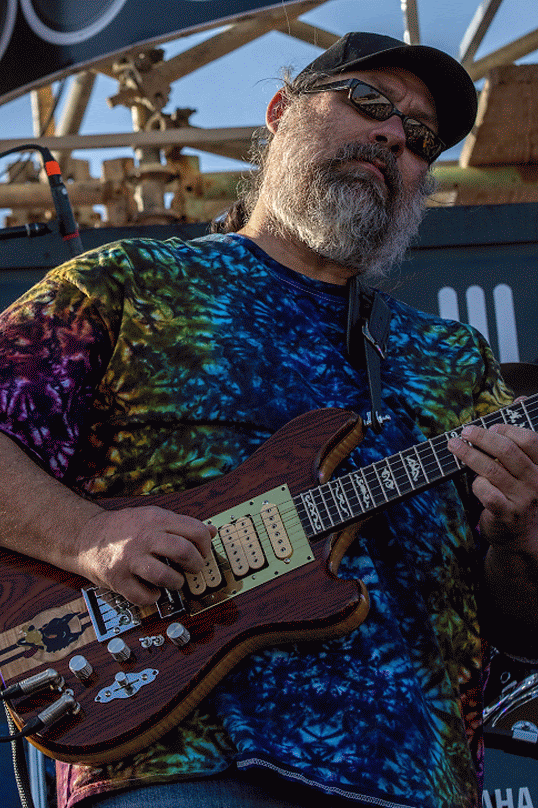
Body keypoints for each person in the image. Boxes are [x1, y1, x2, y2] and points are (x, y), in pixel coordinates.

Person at [0, 31, 537, 808]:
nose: (394, 135)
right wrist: (86, 537)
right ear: (281, 110)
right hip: (181, 766)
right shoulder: (132, 283)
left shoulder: (454, 360)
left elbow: (520, 629)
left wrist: (520, 538)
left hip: (418, 777)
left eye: (422, 137)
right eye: (368, 101)